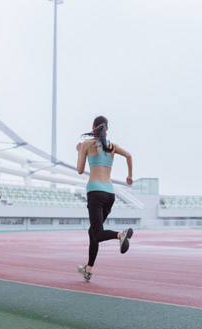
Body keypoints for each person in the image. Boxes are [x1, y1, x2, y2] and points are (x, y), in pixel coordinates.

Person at [76, 116, 133, 282]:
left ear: (93, 127)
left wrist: (80, 151)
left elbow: (80, 170)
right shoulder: (111, 146)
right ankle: (88, 270)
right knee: (92, 232)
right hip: (110, 194)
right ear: (106, 129)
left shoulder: (87, 144)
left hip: (95, 192)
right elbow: (129, 155)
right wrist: (129, 176)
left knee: (98, 233)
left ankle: (120, 235)